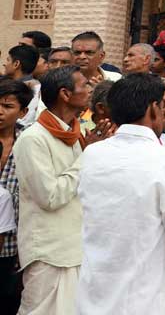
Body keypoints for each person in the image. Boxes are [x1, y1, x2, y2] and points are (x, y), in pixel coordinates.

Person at [77, 74, 165, 315]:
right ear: (153, 109)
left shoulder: (92, 154)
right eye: (162, 105)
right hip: (146, 300)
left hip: (93, 295)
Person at [14, 65, 90, 315]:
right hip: (49, 252)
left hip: (75, 248)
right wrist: (87, 156)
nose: (89, 89)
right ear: (65, 94)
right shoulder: (33, 139)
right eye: (84, 85)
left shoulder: (75, 134)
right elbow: (50, 197)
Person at [0, 78, 31, 314]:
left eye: (7, 106)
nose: (0, 111)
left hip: (14, 245)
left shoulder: (30, 142)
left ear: (23, 112)